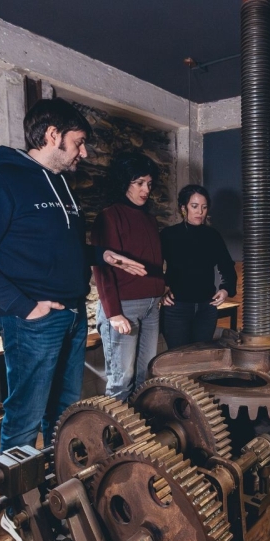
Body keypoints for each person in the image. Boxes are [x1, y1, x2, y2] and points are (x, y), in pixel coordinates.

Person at [0, 98, 145, 454]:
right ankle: (15, 507)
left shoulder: (61, 184)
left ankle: (58, 489)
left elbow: (57, 250)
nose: (83, 153)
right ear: (53, 135)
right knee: (25, 417)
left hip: (71, 316)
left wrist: (103, 255)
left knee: (64, 414)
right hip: (32, 322)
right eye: (79, 142)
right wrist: (25, 307)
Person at [91, 152, 166, 402]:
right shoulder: (109, 216)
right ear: (125, 182)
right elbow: (102, 268)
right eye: (140, 183)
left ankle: (140, 432)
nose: (146, 190)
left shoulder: (149, 219)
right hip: (123, 307)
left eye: (149, 184)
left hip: (151, 306)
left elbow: (153, 263)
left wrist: (163, 289)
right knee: (121, 379)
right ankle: (117, 438)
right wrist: (113, 313)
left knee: (146, 376)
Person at [160, 185, 237, 349]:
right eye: (194, 206)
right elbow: (153, 265)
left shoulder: (212, 235)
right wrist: (160, 290)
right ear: (183, 208)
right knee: (178, 357)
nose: (200, 212)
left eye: (204, 207)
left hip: (206, 308)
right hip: (177, 307)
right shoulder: (169, 235)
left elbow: (227, 266)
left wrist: (226, 289)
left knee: (202, 357)